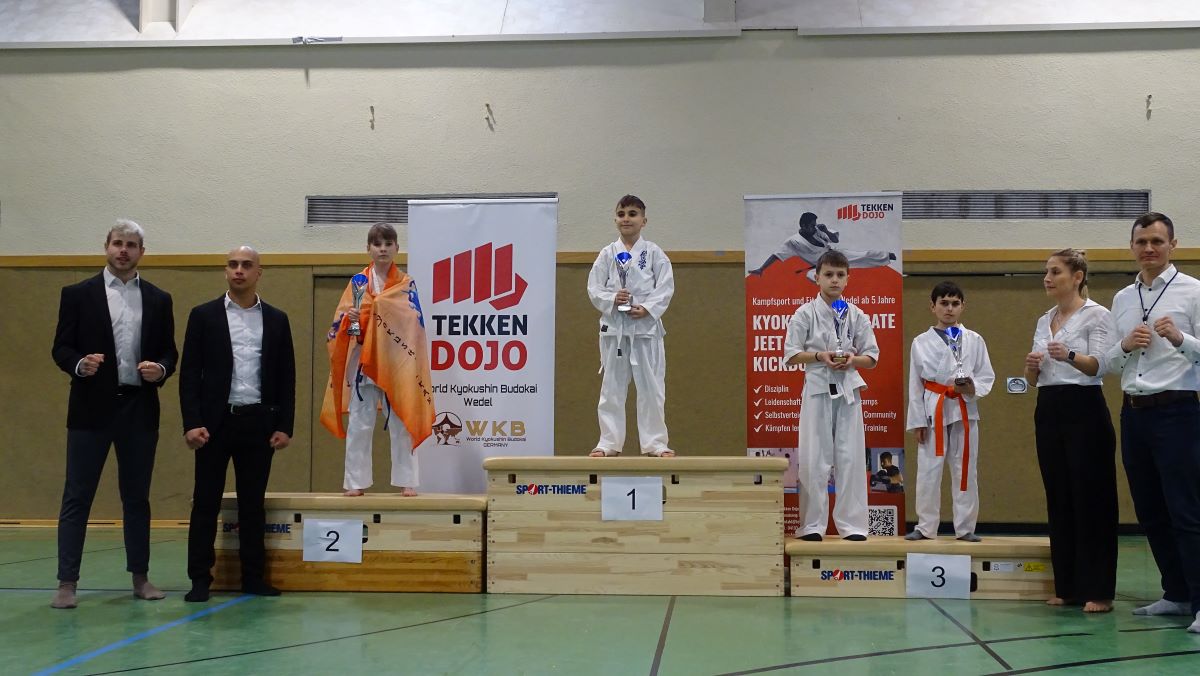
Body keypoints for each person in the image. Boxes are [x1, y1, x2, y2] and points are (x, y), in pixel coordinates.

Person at [49, 219, 177, 609]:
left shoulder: (159, 299)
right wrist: (78, 364)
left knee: (136, 498)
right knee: (77, 496)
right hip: (90, 408)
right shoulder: (77, 294)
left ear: (142, 252)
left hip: (138, 408)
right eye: (118, 243)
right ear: (106, 246)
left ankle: (140, 578)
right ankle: (67, 583)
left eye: (131, 245)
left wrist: (161, 369)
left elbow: (170, 352)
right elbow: (61, 347)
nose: (124, 250)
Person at [179, 246, 295, 602]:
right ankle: (200, 580)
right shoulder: (204, 316)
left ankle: (253, 578)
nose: (239, 270)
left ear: (259, 272)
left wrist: (284, 425)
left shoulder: (277, 319)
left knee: (252, 505)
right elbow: (189, 375)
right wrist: (191, 422)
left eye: (246, 265)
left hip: (258, 424)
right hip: (213, 425)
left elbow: (286, 377)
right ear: (226, 271)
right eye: (233, 265)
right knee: (205, 503)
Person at [1105, 212, 1200, 633]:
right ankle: (1176, 594)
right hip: (1134, 412)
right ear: (1132, 246)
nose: (1149, 248)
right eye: (1141, 241)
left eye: (1157, 241)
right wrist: (1125, 345)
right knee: (1150, 510)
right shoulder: (1123, 298)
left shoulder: (1193, 292)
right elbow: (1109, 362)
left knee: (1186, 511)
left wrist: (1181, 339)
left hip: (1178, 412)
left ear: (1173, 245)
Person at [1024, 249, 1118, 613]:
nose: (1047, 278)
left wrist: (1069, 356)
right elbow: (1034, 380)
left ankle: (1098, 590)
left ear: (1077, 277)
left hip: (1084, 408)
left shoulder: (1098, 315)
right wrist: (1031, 367)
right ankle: (1067, 586)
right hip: (1049, 407)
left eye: (1055, 271)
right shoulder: (1043, 319)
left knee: (1091, 498)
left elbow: (1100, 366)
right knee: (1059, 495)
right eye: (1046, 272)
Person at [320, 222, 435, 497]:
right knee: (360, 424)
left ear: (397, 248)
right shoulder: (358, 283)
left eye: (388, 244)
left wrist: (385, 313)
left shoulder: (406, 284)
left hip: (396, 362)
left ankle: (408, 480)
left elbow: (414, 325)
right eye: (377, 244)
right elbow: (348, 327)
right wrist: (351, 321)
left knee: (401, 423)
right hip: (364, 361)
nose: (383, 249)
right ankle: (355, 482)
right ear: (368, 249)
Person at [783, 250, 879, 540]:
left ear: (848, 278)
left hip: (848, 389)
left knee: (850, 458)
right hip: (817, 390)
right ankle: (812, 525)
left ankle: (853, 526)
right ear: (816, 277)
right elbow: (791, 355)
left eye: (840, 275)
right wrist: (819, 356)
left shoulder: (857, 315)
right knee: (814, 459)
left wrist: (852, 360)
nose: (834, 280)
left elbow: (872, 357)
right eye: (828, 274)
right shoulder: (804, 314)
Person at [905, 281, 994, 542]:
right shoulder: (920, 342)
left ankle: (965, 528)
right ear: (932, 307)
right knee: (928, 470)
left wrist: (971, 387)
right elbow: (915, 384)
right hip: (933, 408)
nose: (949, 308)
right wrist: (917, 421)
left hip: (964, 408)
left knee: (965, 468)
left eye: (955, 303)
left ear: (963, 306)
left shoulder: (975, 340)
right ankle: (925, 526)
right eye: (943, 303)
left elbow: (986, 375)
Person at [586, 195, 675, 457]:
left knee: (652, 388)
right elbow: (594, 288)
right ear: (615, 219)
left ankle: (655, 444)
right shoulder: (607, 254)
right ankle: (608, 443)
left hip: (645, 329)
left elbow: (666, 287)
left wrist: (647, 308)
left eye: (633, 214)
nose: (626, 218)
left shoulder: (655, 253)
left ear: (644, 221)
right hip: (615, 329)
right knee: (611, 388)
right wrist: (613, 298)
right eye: (621, 214)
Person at [748, 211, 896, 282]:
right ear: (803, 225)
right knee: (812, 277)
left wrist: (825, 230)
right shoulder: (793, 242)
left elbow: (835, 240)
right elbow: (776, 255)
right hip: (822, 265)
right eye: (811, 225)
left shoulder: (818, 230)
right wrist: (761, 268)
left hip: (834, 254)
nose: (814, 227)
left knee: (863, 255)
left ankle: (887, 256)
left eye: (815, 224)